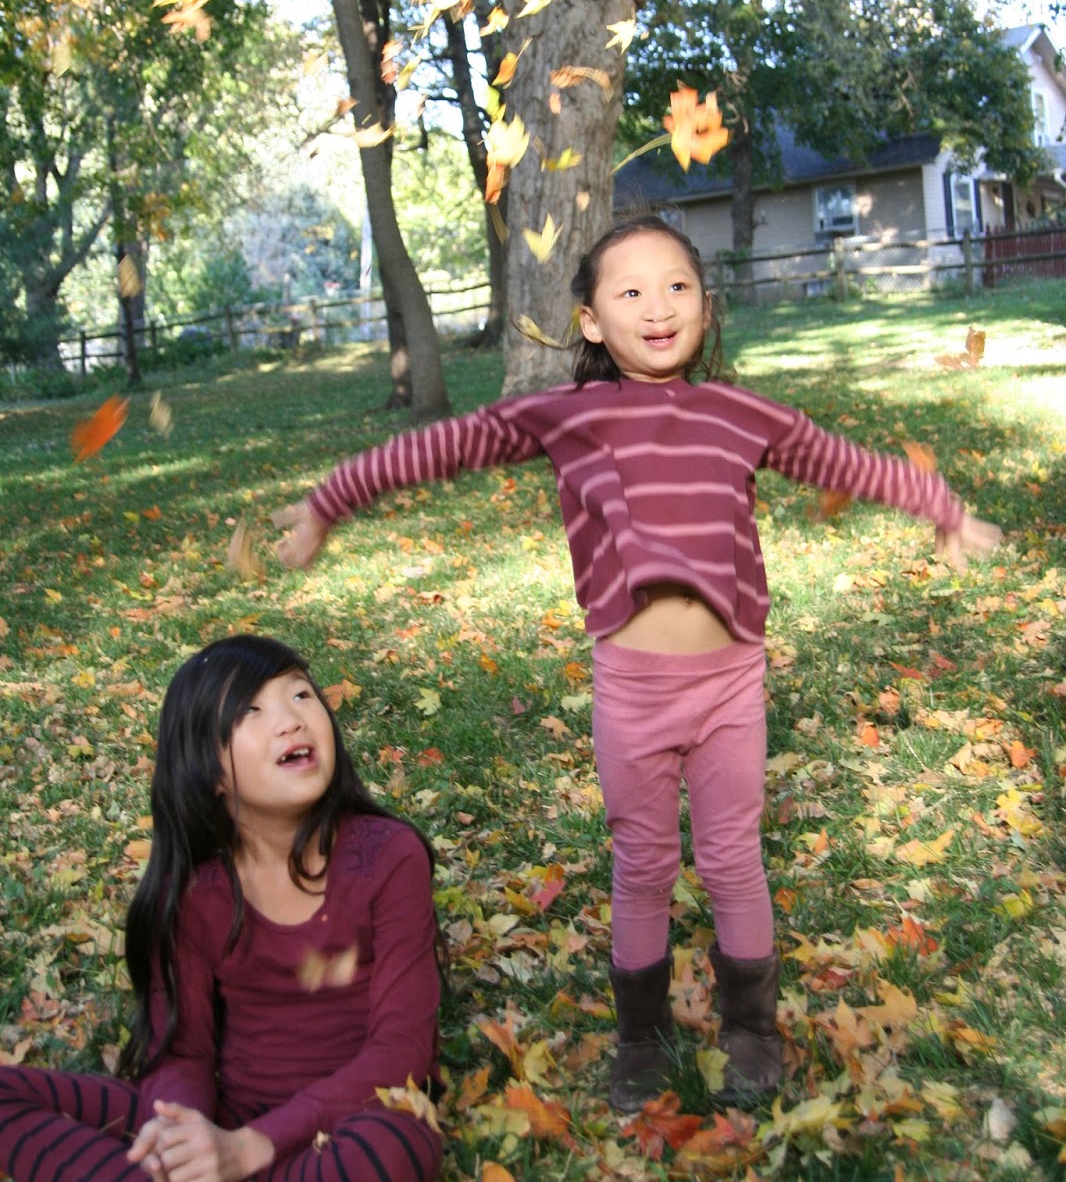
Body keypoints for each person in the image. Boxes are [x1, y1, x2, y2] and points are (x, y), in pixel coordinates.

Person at [273, 215, 1001, 1114]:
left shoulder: (741, 415)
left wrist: (938, 505)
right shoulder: (570, 417)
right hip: (632, 691)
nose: (658, 308)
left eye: (677, 287)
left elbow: (838, 461)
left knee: (732, 857)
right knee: (644, 863)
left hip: (731, 683)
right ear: (590, 320)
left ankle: (750, 1028)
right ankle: (641, 1037)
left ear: (706, 305)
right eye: (630, 292)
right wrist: (329, 501)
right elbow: (439, 447)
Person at [0, 634, 443, 1182]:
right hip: (227, 1120)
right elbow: (182, 1054)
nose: (291, 720)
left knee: (392, 1145)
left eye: (301, 695)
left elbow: (402, 1051)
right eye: (249, 710)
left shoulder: (389, 856)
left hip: (351, 1119)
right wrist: (181, 1133)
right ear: (206, 768)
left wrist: (253, 1147)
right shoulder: (193, 892)